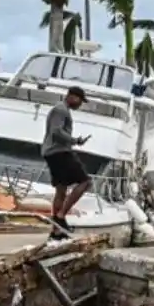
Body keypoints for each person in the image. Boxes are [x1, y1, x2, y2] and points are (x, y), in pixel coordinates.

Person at [43, 86, 91, 240]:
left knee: (61, 190)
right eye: (79, 100)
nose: (80, 104)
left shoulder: (61, 110)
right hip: (60, 152)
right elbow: (56, 131)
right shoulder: (61, 110)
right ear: (71, 96)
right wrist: (74, 140)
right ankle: (61, 216)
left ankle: (56, 231)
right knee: (85, 181)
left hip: (52, 152)